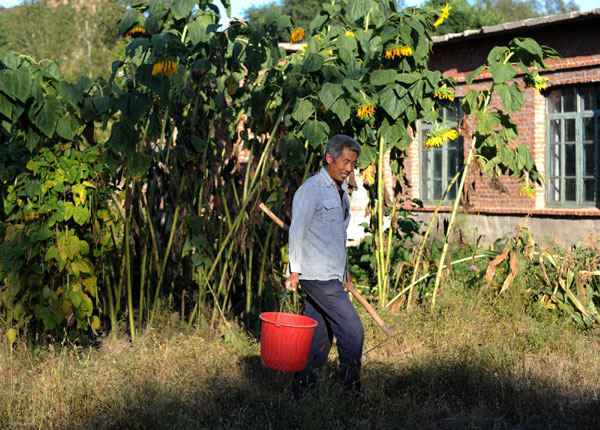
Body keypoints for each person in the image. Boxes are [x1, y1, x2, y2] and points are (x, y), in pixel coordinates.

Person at [285, 134, 364, 397]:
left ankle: (302, 392)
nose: (349, 168)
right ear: (329, 158)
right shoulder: (311, 189)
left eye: (353, 163)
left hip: (332, 274)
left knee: (319, 335)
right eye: (344, 162)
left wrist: (346, 274)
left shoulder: (340, 192)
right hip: (316, 275)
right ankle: (351, 391)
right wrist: (294, 271)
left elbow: (338, 238)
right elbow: (297, 230)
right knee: (352, 329)